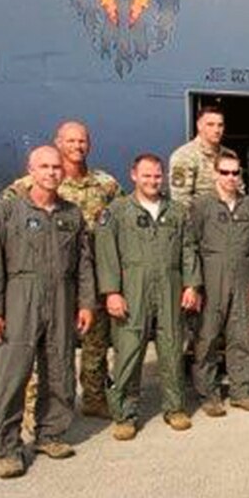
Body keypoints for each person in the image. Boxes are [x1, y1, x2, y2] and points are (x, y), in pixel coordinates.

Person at [0, 145, 96, 478]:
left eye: (56, 167)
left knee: (59, 369)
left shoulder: (71, 215)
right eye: (44, 166)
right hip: (19, 296)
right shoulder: (5, 212)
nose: (52, 173)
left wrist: (86, 303)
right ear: (30, 169)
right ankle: (7, 447)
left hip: (62, 295)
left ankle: (51, 433)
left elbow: (84, 263)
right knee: (12, 374)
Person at [2, 120, 118, 418]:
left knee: (96, 342)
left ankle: (94, 397)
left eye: (82, 141)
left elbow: (122, 222)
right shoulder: (29, 185)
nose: (77, 147)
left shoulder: (106, 184)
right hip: (52, 275)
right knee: (46, 345)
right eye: (71, 141)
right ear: (57, 142)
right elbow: (5, 221)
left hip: (92, 275)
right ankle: (32, 408)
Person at [93, 153, 199, 439]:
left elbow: (188, 248)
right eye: (147, 175)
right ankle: (125, 414)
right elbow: (106, 255)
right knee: (128, 351)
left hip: (170, 287)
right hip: (132, 288)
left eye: (157, 175)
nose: (153, 180)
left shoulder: (176, 212)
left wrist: (192, 285)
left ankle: (175, 408)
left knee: (172, 347)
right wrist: (112, 292)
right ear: (134, 175)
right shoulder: (116, 212)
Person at [187, 155, 249, 419]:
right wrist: (193, 284)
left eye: (235, 173)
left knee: (242, 335)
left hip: (242, 276)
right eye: (225, 172)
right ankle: (209, 396)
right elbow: (189, 245)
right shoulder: (201, 206)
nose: (230, 178)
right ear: (215, 174)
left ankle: (242, 392)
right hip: (211, 276)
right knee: (207, 337)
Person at [168, 104, 236, 204]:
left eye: (220, 125)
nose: (216, 130)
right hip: (200, 217)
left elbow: (238, 190)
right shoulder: (184, 156)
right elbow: (180, 199)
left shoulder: (230, 155)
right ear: (199, 126)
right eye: (210, 124)